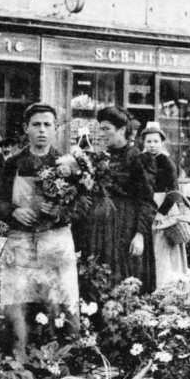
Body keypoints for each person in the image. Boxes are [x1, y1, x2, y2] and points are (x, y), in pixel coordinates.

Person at [0, 103, 82, 363]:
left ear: (56, 129)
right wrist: (13, 212)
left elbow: (81, 210)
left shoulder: (67, 165)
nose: (42, 130)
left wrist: (58, 212)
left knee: (60, 303)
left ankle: (64, 362)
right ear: (26, 129)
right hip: (21, 244)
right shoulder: (13, 164)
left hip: (56, 243)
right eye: (36, 124)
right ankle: (20, 361)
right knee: (18, 303)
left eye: (47, 125)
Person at [74, 107, 156, 290]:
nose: (101, 133)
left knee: (122, 281)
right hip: (102, 230)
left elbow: (147, 200)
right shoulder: (103, 157)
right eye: (100, 128)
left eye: (106, 129)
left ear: (121, 130)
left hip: (125, 229)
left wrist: (140, 235)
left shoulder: (137, 158)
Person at [140, 122, 188, 288]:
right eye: (148, 142)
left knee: (163, 249)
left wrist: (162, 212)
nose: (152, 145)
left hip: (164, 208)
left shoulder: (167, 163)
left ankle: (165, 286)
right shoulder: (141, 161)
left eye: (155, 141)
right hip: (146, 204)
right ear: (143, 143)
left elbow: (174, 191)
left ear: (161, 143)